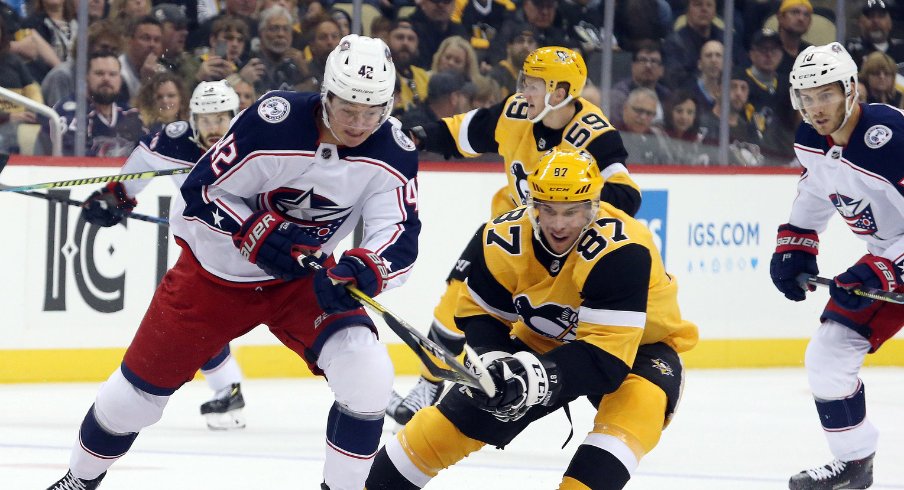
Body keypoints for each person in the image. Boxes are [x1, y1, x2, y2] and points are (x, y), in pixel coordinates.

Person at [47, 34, 420, 490]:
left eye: (373, 111)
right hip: (213, 278)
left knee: (369, 376)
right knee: (133, 401)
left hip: (302, 283)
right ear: (326, 95)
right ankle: (78, 480)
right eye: (348, 109)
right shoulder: (274, 122)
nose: (360, 124)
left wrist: (362, 269)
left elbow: (398, 233)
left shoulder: (393, 150)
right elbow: (202, 189)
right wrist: (258, 232)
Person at [367, 148, 698, 490]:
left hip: (640, 348)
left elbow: (607, 360)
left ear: (592, 206)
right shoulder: (502, 238)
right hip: (543, 340)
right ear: (532, 204)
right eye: (548, 210)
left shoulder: (623, 250)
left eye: (571, 212)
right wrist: (497, 362)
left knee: (634, 414)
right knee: (434, 433)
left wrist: (534, 378)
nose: (558, 224)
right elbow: (481, 314)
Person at [387, 46, 642, 426]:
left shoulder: (595, 135)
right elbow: (464, 131)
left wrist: (571, 203)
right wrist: (415, 136)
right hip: (511, 232)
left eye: (533, 84)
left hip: (563, 244)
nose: (523, 90)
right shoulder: (516, 112)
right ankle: (428, 384)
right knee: (458, 297)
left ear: (559, 93)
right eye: (524, 81)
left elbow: (627, 195)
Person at [79, 80, 249, 431]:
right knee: (194, 314)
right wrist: (114, 198)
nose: (213, 127)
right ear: (191, 119)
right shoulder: (175, 140)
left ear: (236, 117)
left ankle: (381, 397)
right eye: (204, 119)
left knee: (314, 321)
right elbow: (138, 168)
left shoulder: (257, 141)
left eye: (220, 118)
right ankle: (227, 388)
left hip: (263, 247)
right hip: (210, 252)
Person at [770, 42, 904, 489]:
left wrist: (881, 270)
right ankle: (854, 463)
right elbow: (814, 192)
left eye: (824, 94)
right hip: (893, 258)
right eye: (805, 98)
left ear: (850, 89)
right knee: (827, 356)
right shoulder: (811, 139)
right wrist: (796, 245)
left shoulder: (890, 138)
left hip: (895, 260)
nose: (815, 108)